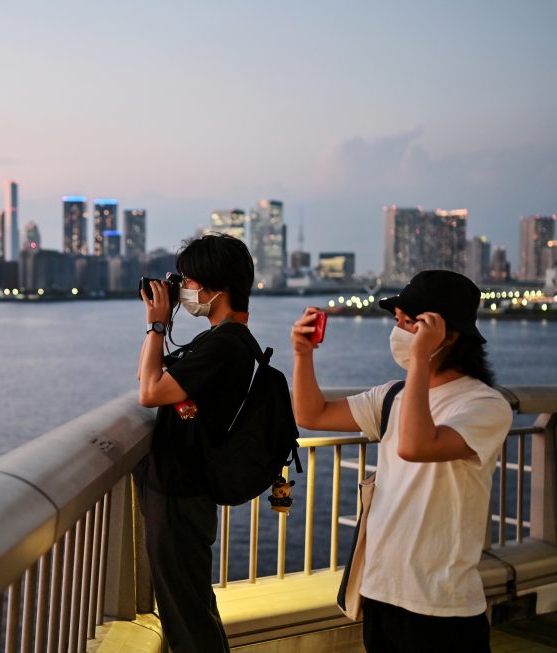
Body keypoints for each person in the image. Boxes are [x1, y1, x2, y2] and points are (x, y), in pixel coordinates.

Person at [290, 269, 512, 653]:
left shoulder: (484, 405)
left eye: (413, 323)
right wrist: (303, 355)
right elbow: (313, 415)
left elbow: (416, 445)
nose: (400, 332)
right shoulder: (393, 395)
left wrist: (421, 360)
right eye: (399, 322)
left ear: (450, 335)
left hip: (442, 603)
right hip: (380, 589)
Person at [135, 233, 256, 653]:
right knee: (194, 608)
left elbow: (148, 392)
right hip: (186, 492)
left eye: (186, 281)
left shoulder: (225, 345)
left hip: (180, 493)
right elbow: (153, 383)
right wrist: (162, 327)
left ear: (213, 288)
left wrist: (155, 325)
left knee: (186, 619)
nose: (182, 289)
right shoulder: (225, 340)